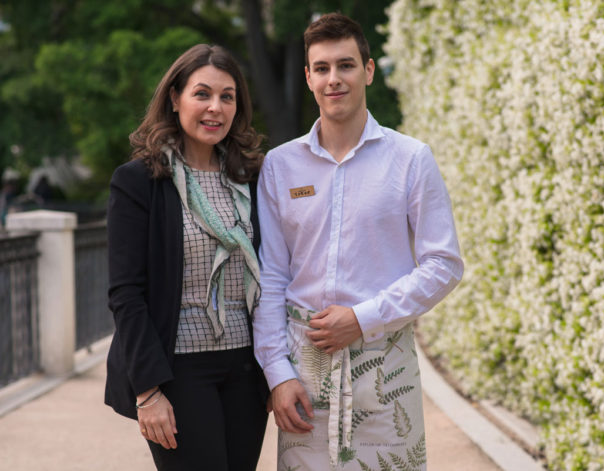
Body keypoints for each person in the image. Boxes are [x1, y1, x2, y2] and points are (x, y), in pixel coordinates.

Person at [254, 13, 464, 471]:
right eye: (323, 68)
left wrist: (363, 318)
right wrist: (277, 374)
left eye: (346, 65)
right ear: (308, 77)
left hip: (386, 367)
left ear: (368, 70)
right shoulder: (279, 166)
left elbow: (443, 264)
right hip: (303, 370)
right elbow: (272, 275)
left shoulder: (411, 159)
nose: (335, 79)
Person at [105, 44, 268, 471]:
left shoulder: (251, 178)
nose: (215, 107)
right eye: (202, 94)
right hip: (178, 373)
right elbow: (126, 293)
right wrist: (148, 392)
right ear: (175, 98)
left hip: (247, 372)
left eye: (227, 96)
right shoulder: (139, 181)